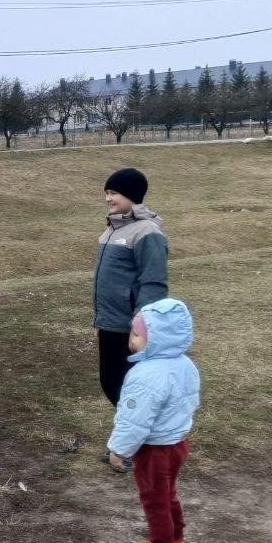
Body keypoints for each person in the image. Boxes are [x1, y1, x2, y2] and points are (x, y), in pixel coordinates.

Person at [106, 298, 200, 543]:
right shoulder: (185, 364)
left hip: (155, 449)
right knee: (168, 494)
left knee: (154, 499)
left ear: (157, 340)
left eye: (136, 335)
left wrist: (119, 450)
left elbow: (135, 421)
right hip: (178, 443)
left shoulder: (145, 375)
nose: (130, 339)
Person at [94, 167, 168, 465]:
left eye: (114, 193)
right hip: (109, 321)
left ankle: (135, 445)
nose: (109, 199)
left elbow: (153, 282)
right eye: (107, 193)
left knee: (125, 386)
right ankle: (131, 441)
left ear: (132, 195)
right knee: (111, 382)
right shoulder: (112, 228)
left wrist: (141, 326)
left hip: (130, 326)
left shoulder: (147, 232)